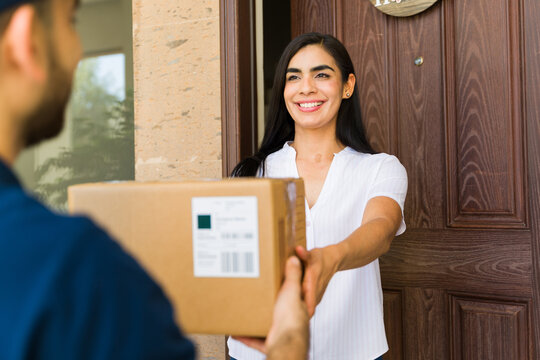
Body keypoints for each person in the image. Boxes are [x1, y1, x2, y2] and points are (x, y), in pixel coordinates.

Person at [0, 0, 308, 359]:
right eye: (71, 21)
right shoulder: (75, 273)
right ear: (27, 41)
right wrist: (289, 340)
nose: (78, 51)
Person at [228, 33, 408, 360]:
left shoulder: (380, 169)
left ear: (347, 85)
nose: (306, 87)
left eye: (321, 75)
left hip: (354, 349)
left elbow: (381, 228)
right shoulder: (254, 172)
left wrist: (331, 257)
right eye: (293, 77)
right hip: (261, 351)